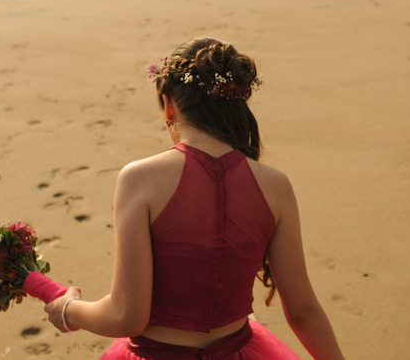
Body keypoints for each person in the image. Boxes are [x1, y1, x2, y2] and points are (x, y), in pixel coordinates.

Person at [41, 38, 346, 359]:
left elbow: (126, 317)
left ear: (169, 105)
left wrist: (68, 310)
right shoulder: (275, 185)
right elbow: (303, 311)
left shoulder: (140, 179)